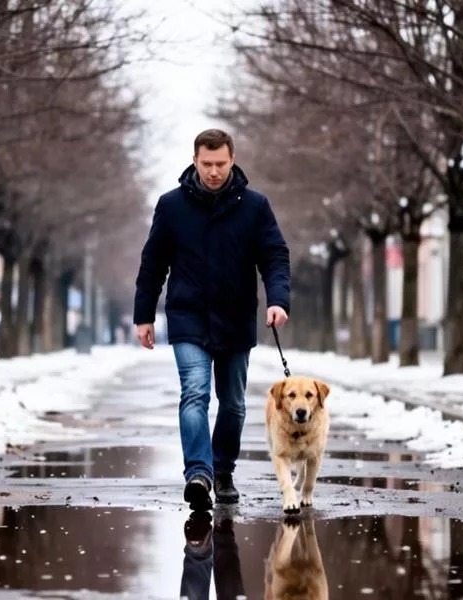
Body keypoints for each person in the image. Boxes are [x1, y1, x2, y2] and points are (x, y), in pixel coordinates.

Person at [132, 128, 291, 510]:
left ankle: (223, 470)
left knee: (233, 403)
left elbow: (274, 256)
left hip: (236, 319)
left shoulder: (255, 206)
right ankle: (199, 474)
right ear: (195, 160)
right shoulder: (171, 206)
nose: (214, 171)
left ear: (232, 160)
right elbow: (153, 263)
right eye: (207, 164)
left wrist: (278, 300)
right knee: (195, 393)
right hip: (188, 317)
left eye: (220, 164)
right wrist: (144, 315)